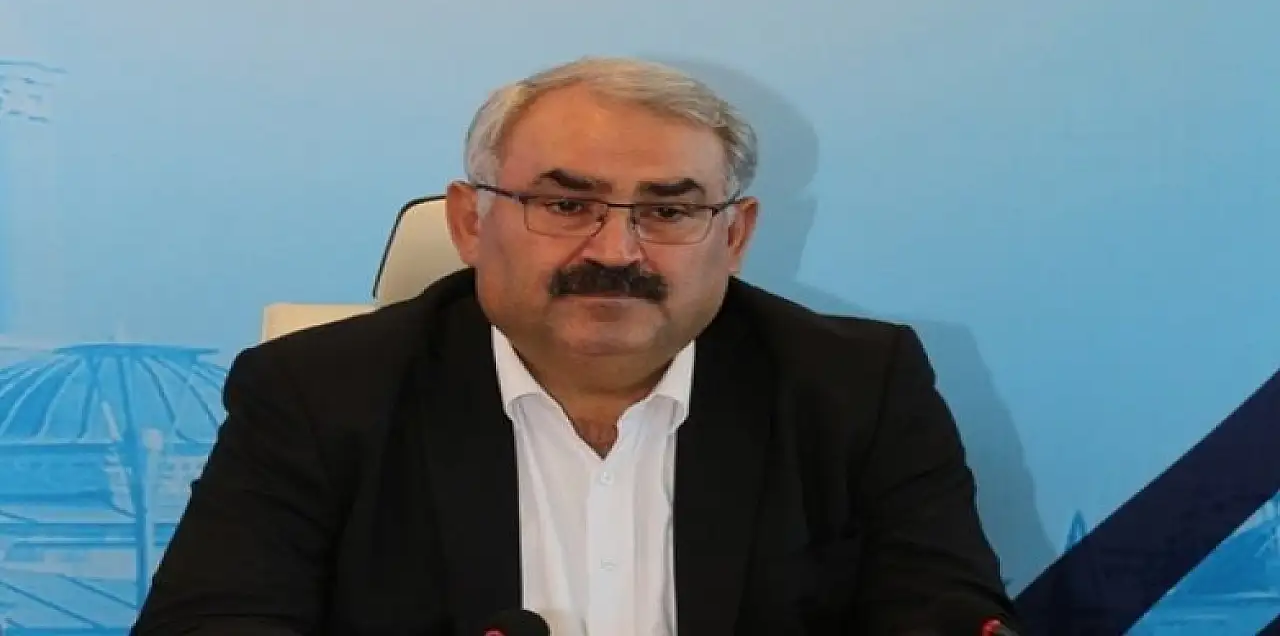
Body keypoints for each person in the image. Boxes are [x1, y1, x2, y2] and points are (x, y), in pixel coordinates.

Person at [131, 57, 1017, 636]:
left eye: (669, 210)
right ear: (471, 221)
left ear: (735, 236)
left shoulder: (856, 389)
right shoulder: (318, 393)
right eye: (566, 204)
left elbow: (939, 611)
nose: (616, 250)